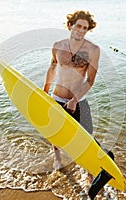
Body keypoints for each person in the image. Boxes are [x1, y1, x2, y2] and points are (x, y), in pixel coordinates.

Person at [42, 10, 99, 185]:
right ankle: (57, 158)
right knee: (55, 133)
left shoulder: (93, 50)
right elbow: (52, 68)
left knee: (86, 138)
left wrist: (74, 100)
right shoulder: (57, 46)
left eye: (85, 28)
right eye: (79, 26)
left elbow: (90, 80)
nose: (81, 30)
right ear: (70, 25)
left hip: (79, 101)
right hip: (57, 97)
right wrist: (44, 92)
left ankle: (90, 171)